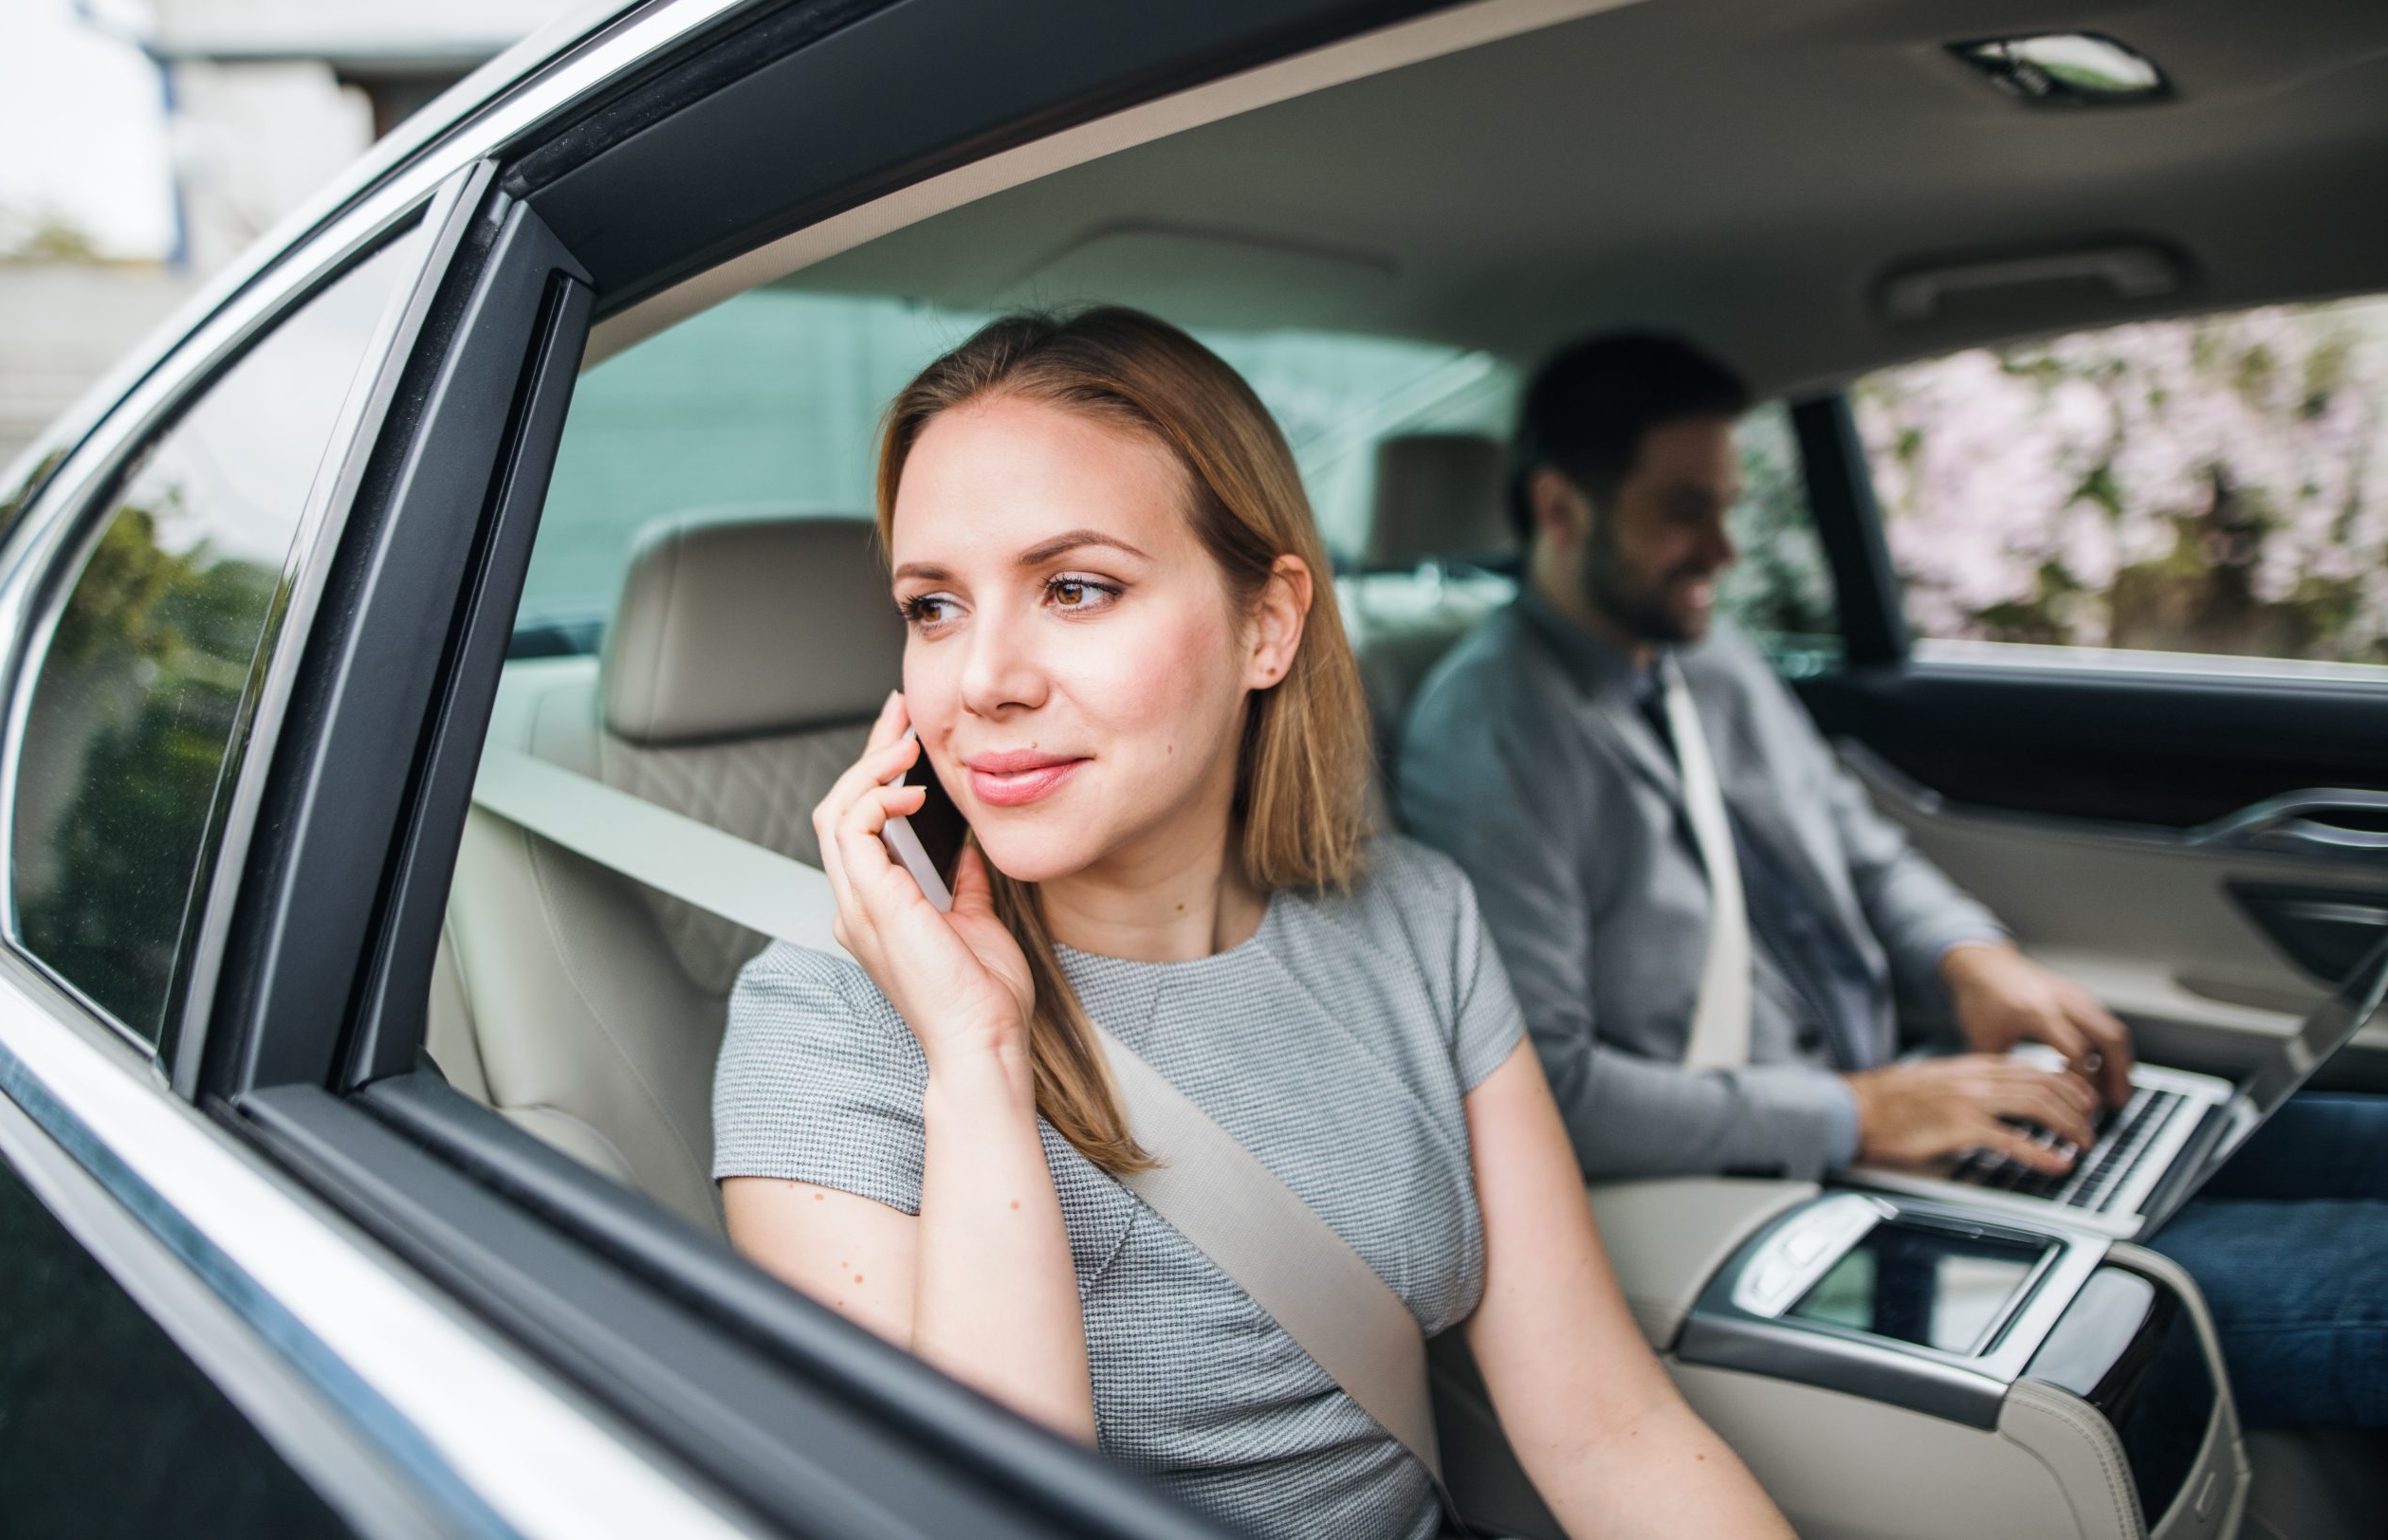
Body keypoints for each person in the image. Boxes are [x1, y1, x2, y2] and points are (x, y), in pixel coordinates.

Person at [710, 309, 1792, 1539]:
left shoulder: (1413, 917)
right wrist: (976, 1058)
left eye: (1074, 587)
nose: (981, 680)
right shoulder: (827, 1018)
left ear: (1267, 624)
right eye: (933, 606)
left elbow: (1610, 1428)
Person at [1392, 331, 2388, 1432]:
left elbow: (1854, 846)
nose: (1723, 550)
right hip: (1790, 1190)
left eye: (1727, 506)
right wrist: (1854, 1114)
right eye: (1685, 510)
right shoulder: (1491, 736)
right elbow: (1552, 1098)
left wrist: (1971, 959)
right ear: (1560, 507)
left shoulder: (1700, 658)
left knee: (2345, 1137)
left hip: (1914, 1107)